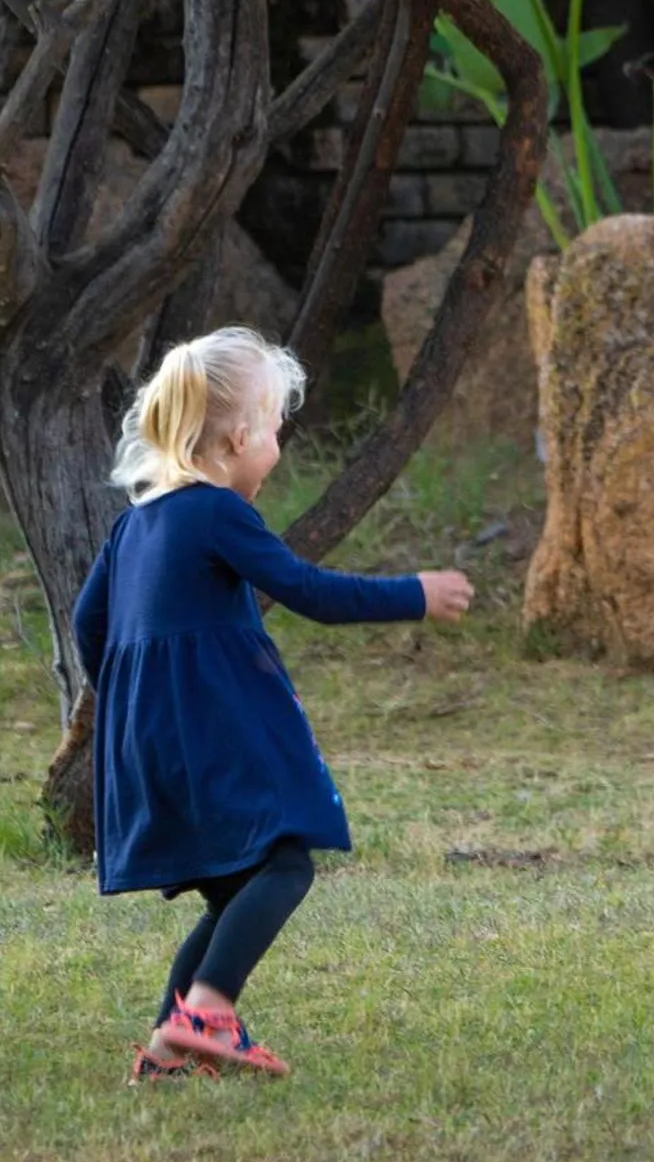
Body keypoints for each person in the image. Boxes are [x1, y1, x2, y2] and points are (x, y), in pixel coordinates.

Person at [73, 327, 473, 1083]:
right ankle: (209, 1012)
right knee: (287, 861)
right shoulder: (217, 512)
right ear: (235, 438)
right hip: (217, 726)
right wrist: (414, 594)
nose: (279, 445)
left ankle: (167, 1052)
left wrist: (136, 696)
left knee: (232, 888)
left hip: (147, 737)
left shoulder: (134, 525)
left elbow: (87, 626)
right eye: (276, 427)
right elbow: (310, 593)